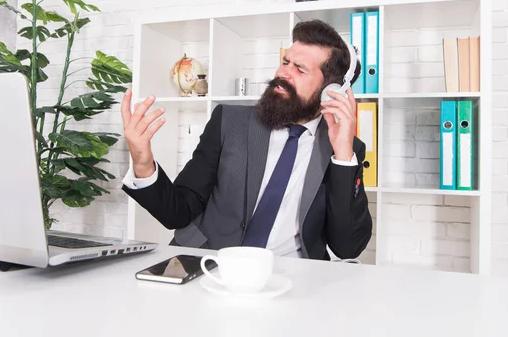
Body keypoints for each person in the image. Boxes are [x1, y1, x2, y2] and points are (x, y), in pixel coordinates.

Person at [121, 19, 372, 261]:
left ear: (331, 91)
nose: (283, 73)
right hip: (211, 263)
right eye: (285, 62)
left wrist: (342, 156)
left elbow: (347, 247)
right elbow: (178, 212)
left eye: (300, 69)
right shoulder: (229, 121)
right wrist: (143, 164)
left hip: (292, 275)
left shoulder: (347, 150)